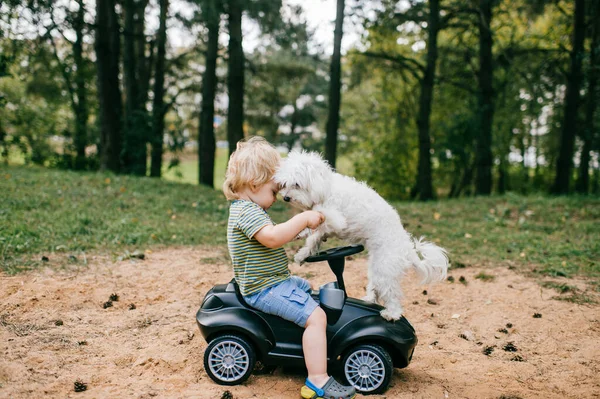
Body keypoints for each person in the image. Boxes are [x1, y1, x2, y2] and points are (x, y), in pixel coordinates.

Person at [223, 137, 356, 399]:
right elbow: (272, 237)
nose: (277, 198)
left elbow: (275, 236)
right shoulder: (247, 212)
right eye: (274, 191)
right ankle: (318, 379)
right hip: (264, 289)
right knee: (317, 318)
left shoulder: (247, 209)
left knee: (306, 288)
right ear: (254, 183)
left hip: (272, 281)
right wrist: (301, 219)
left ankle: (297, 343)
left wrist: (304, 228)